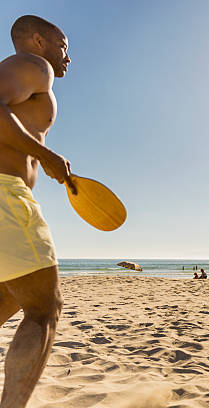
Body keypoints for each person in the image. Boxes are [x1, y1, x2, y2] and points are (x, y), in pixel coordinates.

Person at [0, 15, 75, 406]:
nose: (68, 57)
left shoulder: (27, 73)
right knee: (45, 307)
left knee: (9, 296)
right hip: (4, 194)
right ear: (37, 40)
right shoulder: (34, 66)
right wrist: (43, 153)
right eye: (64, 46)